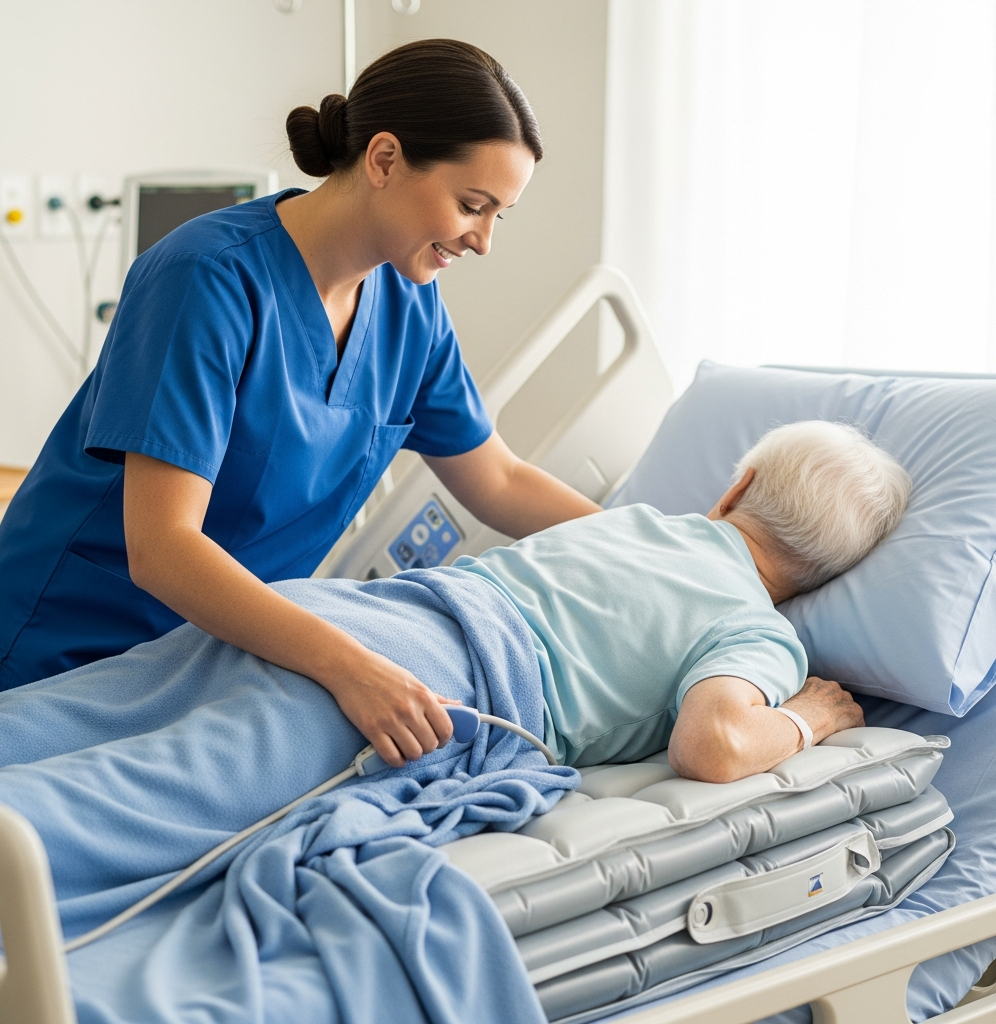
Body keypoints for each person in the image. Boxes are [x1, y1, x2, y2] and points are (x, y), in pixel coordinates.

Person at [0, 40, 600, 757]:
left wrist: (658, 543)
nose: (483, 241)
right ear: (383, 160)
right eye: (473, 206)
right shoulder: (205, 279)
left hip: (210, 662)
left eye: (500, 215)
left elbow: (498, 480)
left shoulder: (411, 312)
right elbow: (163, 548)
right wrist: (353, 666)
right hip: (66, 654)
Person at [454, 420, 913, 781]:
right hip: (464, 690)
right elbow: (714, 745)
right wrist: (810, 716)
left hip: (410, 608)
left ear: (739, 489)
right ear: (827, 576)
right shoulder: (759, 634)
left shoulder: (631, 521)